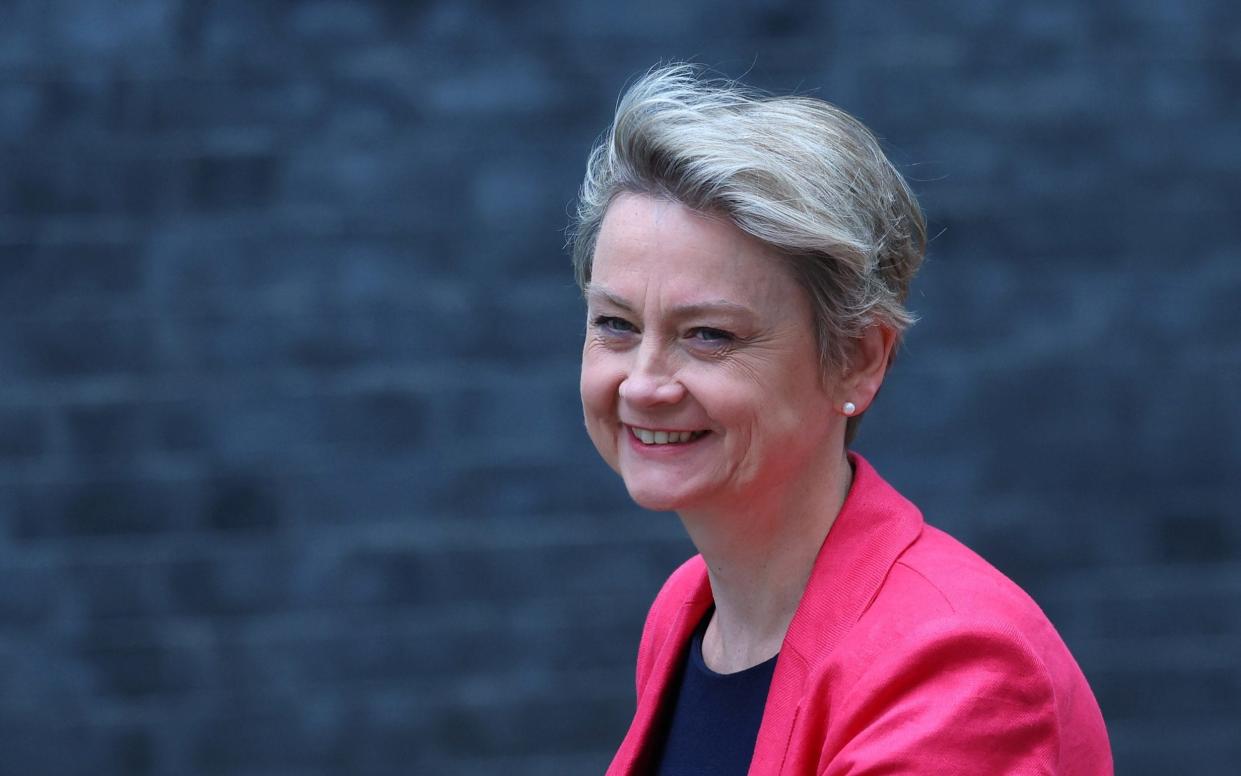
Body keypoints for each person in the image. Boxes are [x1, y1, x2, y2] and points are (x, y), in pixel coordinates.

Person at [568, 64, 1112, 775]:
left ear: (856, 358)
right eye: (615, 324)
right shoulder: (689, 611)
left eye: (708, 335)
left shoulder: (951, 662)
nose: (642, 383)